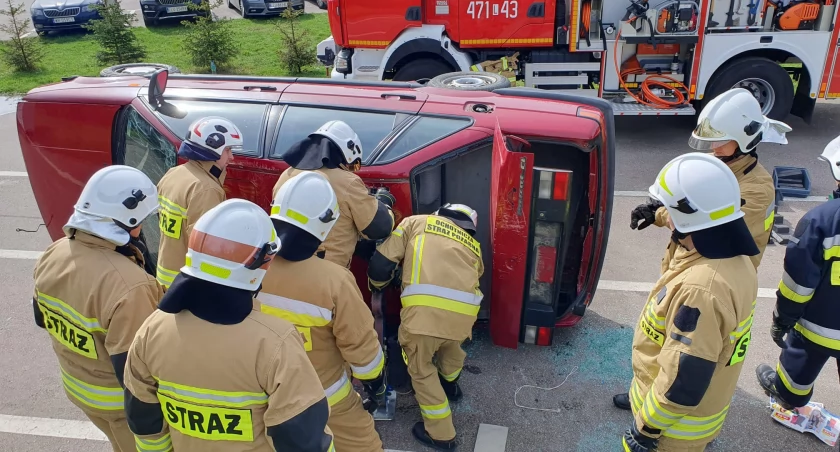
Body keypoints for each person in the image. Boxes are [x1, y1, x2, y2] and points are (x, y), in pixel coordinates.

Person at [123, 199, 336, 452]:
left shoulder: (152, 330)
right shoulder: (275, 343)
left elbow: (145, 422)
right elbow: (303, 440)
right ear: (261, 263)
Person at [620, 153, 759, 452]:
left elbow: (682, 382)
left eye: (667, 210)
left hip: (671, 432)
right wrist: (657, 213)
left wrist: (645, 429)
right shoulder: (730, 253)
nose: (665, 215)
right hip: (690, 406)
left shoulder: (701, 291)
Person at [32, 165, 165, 452]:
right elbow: (135, 375)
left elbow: (41, 318)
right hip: (120, 407)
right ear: (128, 221)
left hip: (78, 388)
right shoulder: (130, 286)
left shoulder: (53, 252)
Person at [259, 171, 385, 452]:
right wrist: (376, 387)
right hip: (327, 398)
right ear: (326, 225)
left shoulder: (252, 265)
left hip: (265, 395)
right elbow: (363, 353)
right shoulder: (334, 280)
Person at [629, 88, 789, 275]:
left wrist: (661, 213)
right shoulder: (719, 164)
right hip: (693, 269)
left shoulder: (757, 189)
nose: (714, 147)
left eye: (721, 141)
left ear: (745, 140)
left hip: (720, 279)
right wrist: (660, 204)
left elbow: (707, 232)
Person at [367, 203, 483, 450]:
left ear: (440, 213)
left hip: (423, 318)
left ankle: (442, 435)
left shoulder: (415, 222)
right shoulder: (474, 246)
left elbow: (381, 264)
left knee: (420, 369)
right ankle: (451, 386)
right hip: (463, 318)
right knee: (451, 351)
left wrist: (378, 285)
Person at [755, 134, 840, 412]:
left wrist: (783, 319)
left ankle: (788, 397)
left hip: (818, 329)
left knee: (797, 370)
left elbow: (797, 283)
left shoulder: (821, 220)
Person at [272, 120, 395, 268]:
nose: (352, 169)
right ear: (346, 153)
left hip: (281, 264)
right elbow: (380, 228)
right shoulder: (347, 181)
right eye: (353, 164)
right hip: (326, 270)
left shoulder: (287, 174)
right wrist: (384, 205)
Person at [154, 116, 243, 289]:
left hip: (165, 273)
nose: (232, 157)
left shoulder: (174, 173)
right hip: (189, 282)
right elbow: (205, 247)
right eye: (228, 150)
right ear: (213, 148)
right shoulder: (206, 189)